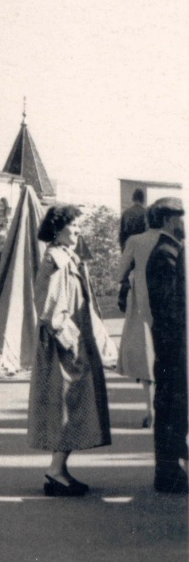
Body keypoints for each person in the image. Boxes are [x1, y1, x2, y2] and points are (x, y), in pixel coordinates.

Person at [27, 204, 111, 496]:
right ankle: (55, 471)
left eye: (78, 226)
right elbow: (48, 309)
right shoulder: (55, 260)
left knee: (73, 406)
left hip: (72, 344)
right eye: (73, 225)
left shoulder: (67, 257)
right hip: (64, 349)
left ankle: (58, 469)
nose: (77, 230)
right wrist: (72, 341)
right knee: (68, 407)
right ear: (57, 228)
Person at [144, 198, 187, 495]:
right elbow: (170, 307)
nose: (184, 223)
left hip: (172, 345)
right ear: (170, 220)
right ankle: (168, 472)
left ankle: (171, 469)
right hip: (173, 346)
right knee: (171, 406)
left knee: (174, 406)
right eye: (180, 217)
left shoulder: (170, 251)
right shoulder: (165, 254)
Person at [116, 210, 162, 428]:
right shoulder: (173, 240)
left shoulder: (136, 240)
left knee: (146, 354)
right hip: (170, 301)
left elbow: (119, 273)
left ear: (146, 220)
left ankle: (149, 409)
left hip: (142, 303)